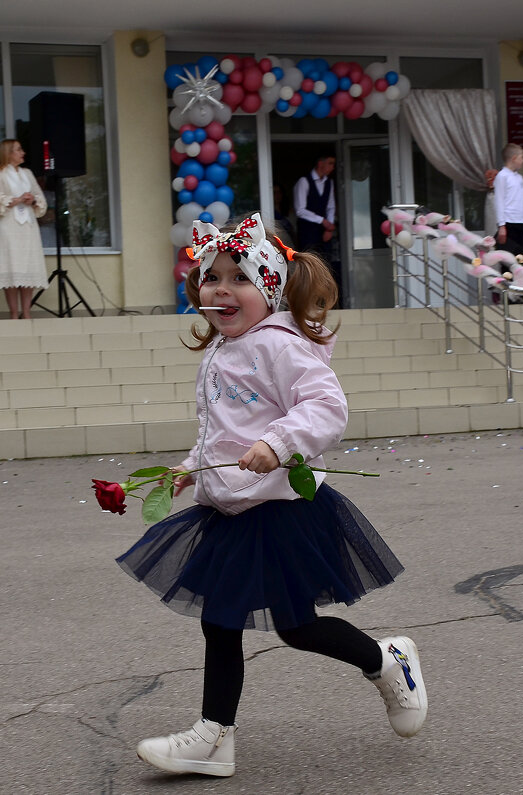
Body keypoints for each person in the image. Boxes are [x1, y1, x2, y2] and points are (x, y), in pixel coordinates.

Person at [117, 213, 424, 778]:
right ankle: (220, 737)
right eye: (213, 277)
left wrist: (279, 442)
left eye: (239, 278)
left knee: (280, 624)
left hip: (279, 509)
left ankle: (385, 661)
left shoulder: (281, 347)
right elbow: (223, 432)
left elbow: (327, 408)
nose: (222, 289)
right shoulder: (224, 351)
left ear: (270, 289)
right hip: (233, 505)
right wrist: (189, 468)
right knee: (246, 621)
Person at [0, 139, 47, 320]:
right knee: (11, 266)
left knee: (27, 267)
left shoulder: (27, 173)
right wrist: (18, 199)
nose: (23, 153)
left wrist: (32, 200)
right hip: (9, 226)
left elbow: (40, 199)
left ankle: (26, 312)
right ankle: (14, 313)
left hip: (28, 226)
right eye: (19, 150)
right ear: (9, 153)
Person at [293, 153, 337, 277]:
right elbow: (300, 210)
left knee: (326, 265)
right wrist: (323, 221)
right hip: (308, 231)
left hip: (324, 232)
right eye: (330, 163)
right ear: (320, 164)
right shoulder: (304, 181)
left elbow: (331, 207)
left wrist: (329, 227)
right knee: (309, 265)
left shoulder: (329, 183)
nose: (333, 167)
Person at [493, 142, 523, 259]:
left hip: (521, 222)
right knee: (508, 258)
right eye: (522, 157)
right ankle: (507, 277)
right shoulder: (502, 176)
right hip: (509, 222)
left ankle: (518, 277)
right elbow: (499, 201)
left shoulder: (519, 178)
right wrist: (502, 225)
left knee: (520, 257)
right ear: (514, 158)